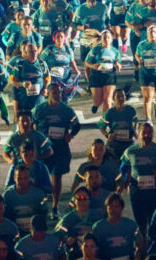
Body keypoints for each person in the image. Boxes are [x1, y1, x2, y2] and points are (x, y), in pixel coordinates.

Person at [32, 82, 79, 216]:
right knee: (40, 178)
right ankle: (40, 206)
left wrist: (71, 134)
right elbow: (31, 124)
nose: (57, 95)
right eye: (54, 92)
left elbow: (77, 125)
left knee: (57, 177)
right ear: (48, 93)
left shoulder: (66, 109)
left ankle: (55, 207)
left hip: (60, 148)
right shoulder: (40, 109)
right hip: (43, 148)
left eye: (59, 92)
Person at [84, 29, 121, 114]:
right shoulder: (95, 50)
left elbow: (118, 62)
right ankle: (96, 105)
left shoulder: (115, 51)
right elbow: (86, 62)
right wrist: (93, 66)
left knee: (108, 100)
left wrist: (118, 65)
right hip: (97, 76)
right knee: (98, 101)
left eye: (108, 38)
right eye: (104, 38)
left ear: (111, 39)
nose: (106, 40)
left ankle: (106, 120)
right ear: (101, 39)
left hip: (109, 76)